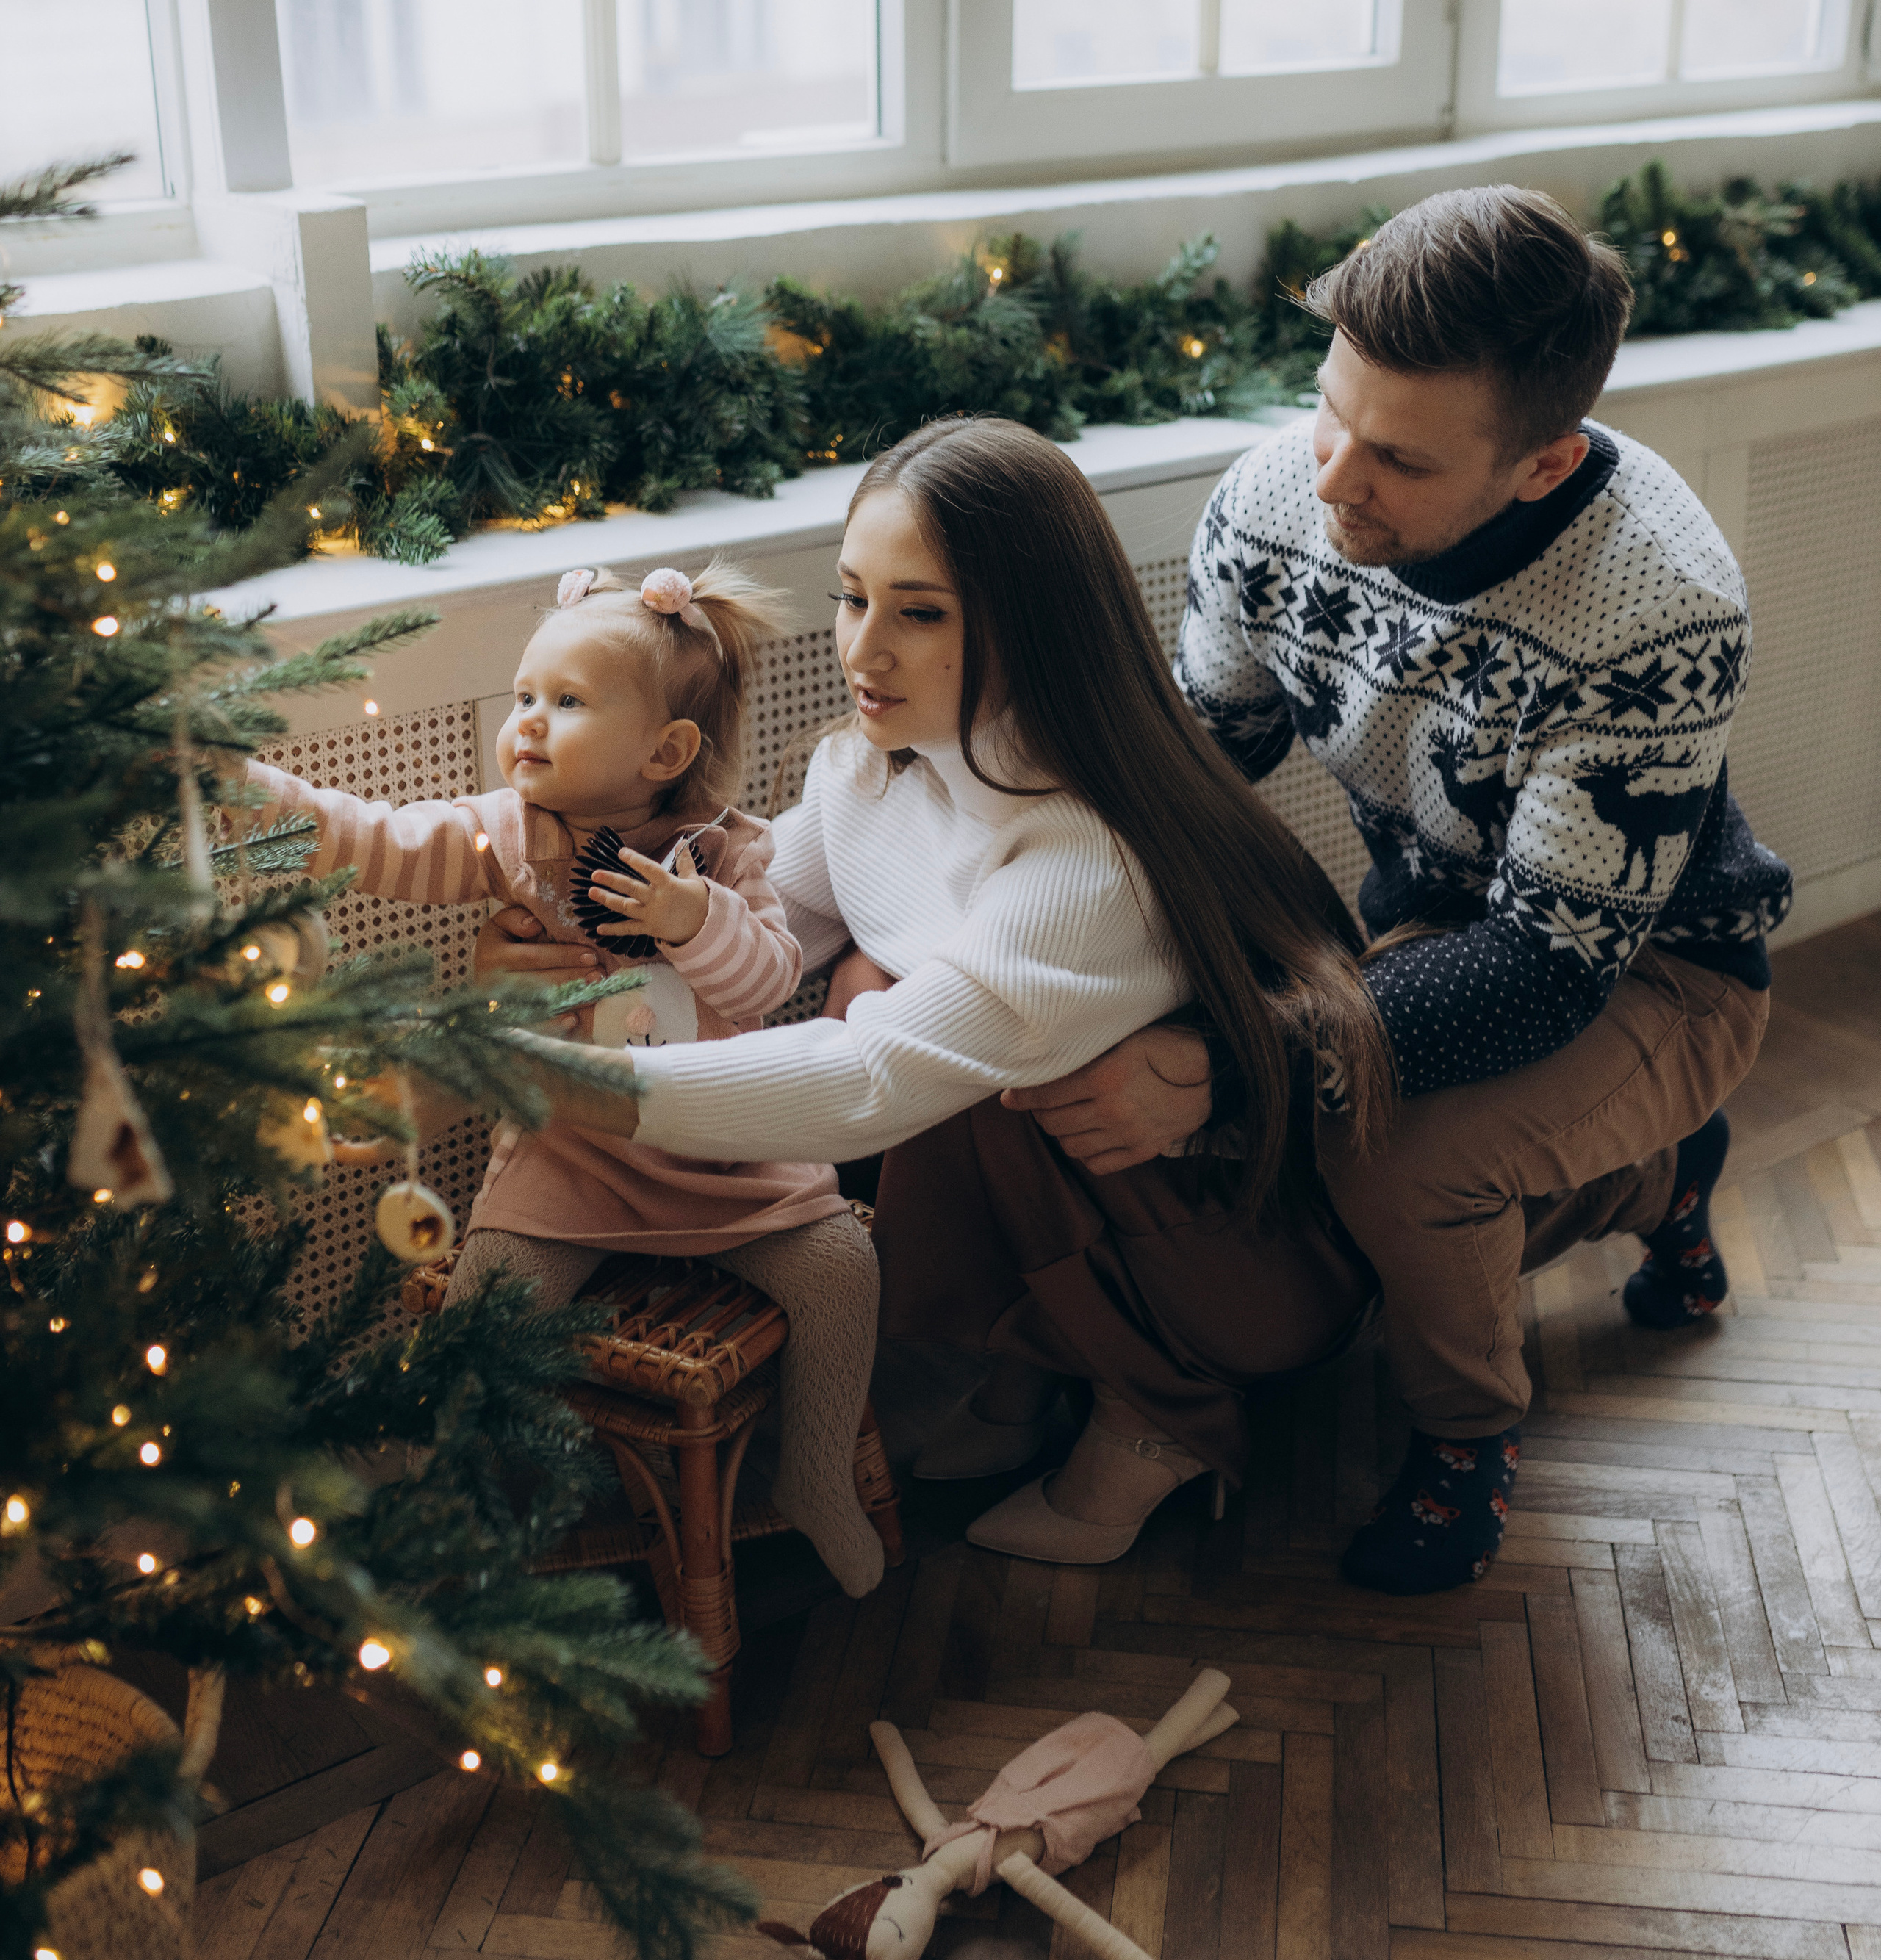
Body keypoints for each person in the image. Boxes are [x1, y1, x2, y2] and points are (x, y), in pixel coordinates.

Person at [996, 185, 1792, 1592]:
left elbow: (1543, 973)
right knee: (1315, 1111)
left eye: (1400, 460)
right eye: (1330, 413)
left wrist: (1228, 1065)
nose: (1332, 482)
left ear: (1544, 465)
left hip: (1655, 971)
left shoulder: (1659, 601)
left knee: (1398, 1159)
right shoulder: (1276, 498)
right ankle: (1658, 1179)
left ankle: (1468, 1440)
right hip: (1428, 926)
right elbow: (1199, 765)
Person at [529, 414, 1398, 1563]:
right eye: (853, 599)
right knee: (874, 976)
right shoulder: (866, 770)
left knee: (936, 1033)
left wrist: (578, 1084)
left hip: (1248, 1265)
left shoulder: (1082, 856)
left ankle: (1163, 1411)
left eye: (922, 614)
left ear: (1033, 626)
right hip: (1106, 1205)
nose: (865, 651)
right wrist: (560, 923)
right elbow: (745, 925)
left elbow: (871, 1079)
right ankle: (1030, 1366)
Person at [239, 558, 888, 1598]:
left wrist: (695, 921)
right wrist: (246, 796)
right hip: (569, 1161)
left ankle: (814, 1476)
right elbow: (376, 842)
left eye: (568, 702)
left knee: (844, 1269)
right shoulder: (507, 837)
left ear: (665, 752)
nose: (528, 723)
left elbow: (771, 983)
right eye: (524, 696)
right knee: (481, 1310)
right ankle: (442, 1490)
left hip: (731, 1162)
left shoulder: (728, 856)